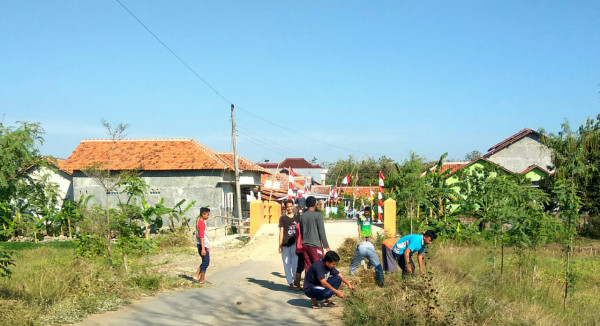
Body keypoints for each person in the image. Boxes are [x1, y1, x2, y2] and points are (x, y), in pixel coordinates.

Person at [299, 196, 331, 272]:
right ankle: (318, 283)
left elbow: (302, 231)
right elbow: (321, 232)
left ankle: (308, 283)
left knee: (308, 266)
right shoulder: (318, 216)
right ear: (315, 204)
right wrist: (327, 247)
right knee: (319, 265)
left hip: (305, 245)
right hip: (315, 245)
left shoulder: (302, 216)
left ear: (306, 205)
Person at [279, 199, 300, 289]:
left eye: (291, 206)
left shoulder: (298, 217)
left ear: (293, 206)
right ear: (285, 208)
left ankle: (296, 280)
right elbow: (281, 231)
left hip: (295, 243)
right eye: (287, 207)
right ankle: (290, 282)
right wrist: (279, 245)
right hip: (285, 244)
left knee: (295, 263)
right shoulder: (283, 218)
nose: (289, 208)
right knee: (286, 263)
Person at [193, 207, 211, 284]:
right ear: (203, 214)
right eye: (207, 215)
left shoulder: (200, 222)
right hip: (202, 245)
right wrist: (203, 248)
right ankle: (202, 279)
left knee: (204, 261)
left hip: (203, 245)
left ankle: (196, 275)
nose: (208, 216)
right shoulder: (201, 223)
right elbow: (201, 236)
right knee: (206, 262)